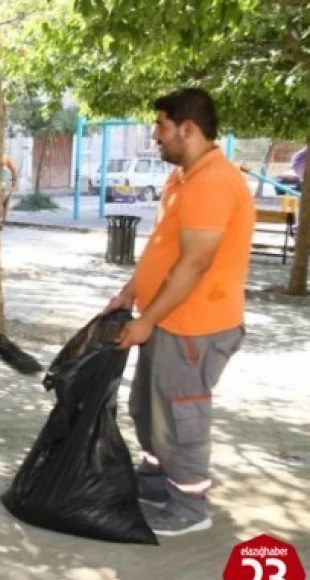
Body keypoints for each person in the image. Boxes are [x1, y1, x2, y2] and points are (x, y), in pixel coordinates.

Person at [106, 88, 253, 537]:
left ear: (187, 129)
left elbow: (194, 263)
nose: (155, 137)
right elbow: (163, 249)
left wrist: (147, 321)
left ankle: (189, 505)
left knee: (178, 415)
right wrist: (131, 293)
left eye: (161, 127)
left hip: (195, 326)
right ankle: (154, 481)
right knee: (147, 409)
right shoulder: (184, 177)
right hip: (163, 318)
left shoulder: (213, 182)